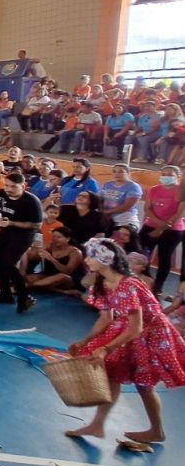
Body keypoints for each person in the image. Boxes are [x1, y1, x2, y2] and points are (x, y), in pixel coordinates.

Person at [65, 239, 185, 444]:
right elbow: (106, 318)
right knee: (113, 375)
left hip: (151, 333)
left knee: (144, 384)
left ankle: (156, 430)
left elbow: (137, 327)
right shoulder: (102, 283)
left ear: (105, 260)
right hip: (126, 329)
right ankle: (97, 425)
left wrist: (106, 348)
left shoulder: (128, 285)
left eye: (91, 257)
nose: (86, 260)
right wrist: (85, 341)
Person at [0, 172, 44, 313]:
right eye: (7, 185)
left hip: (24, 234)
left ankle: (25, 297)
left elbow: (36, 225)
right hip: (7, 230)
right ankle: (5, 293)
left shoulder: (31, 201)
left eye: (13, 186)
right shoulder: (1, 194)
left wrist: (12, 223)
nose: (9, 189)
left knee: (8, 263)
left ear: (23, 186)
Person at [139, 164, 185, 296]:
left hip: (173, 229)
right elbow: (147, 208)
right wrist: (157, 223)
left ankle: (158, 285)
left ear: (178, 176)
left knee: (164, 257)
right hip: (151, 225)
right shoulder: (154, 189)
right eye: (163, 174)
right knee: (143, 255)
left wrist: (162, 228)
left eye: (170, 175)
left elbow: (180, 214)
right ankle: (145, 280)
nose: (166, 177)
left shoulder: (181, 191)